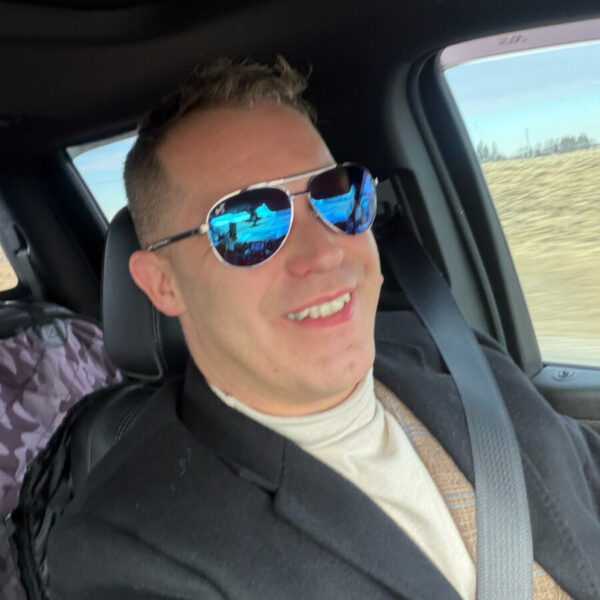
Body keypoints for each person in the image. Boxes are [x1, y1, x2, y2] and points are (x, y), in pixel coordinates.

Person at [47, 58, 600, 600]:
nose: (325, 253)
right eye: (248, 223)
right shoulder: (132, 550)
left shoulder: (451, 352)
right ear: (162, 284)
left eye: (338, 197)